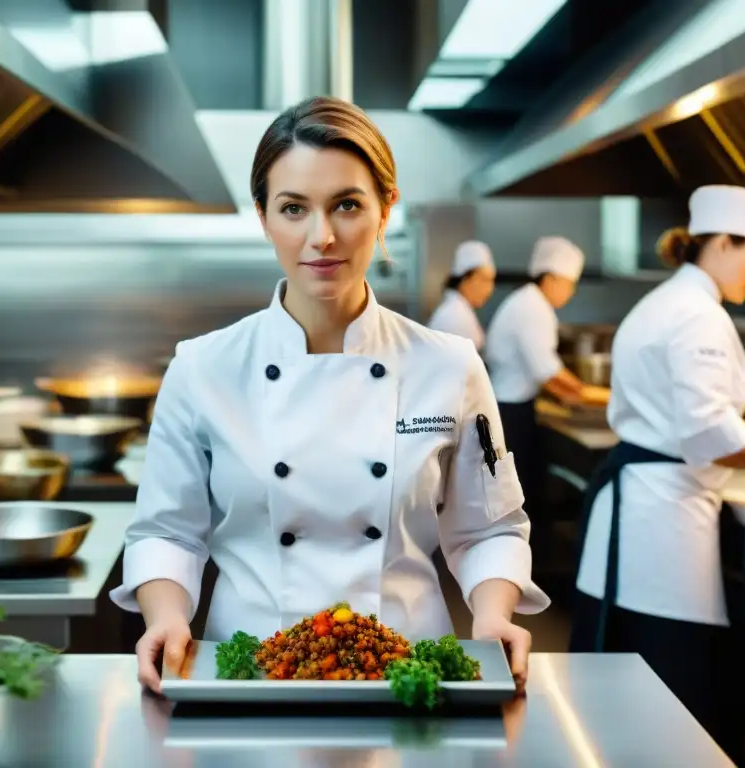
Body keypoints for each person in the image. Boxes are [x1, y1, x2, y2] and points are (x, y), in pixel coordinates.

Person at [110, 96, 550, 693]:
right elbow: (167, 531)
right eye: (294, 208)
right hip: (248, 674)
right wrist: (165, 616)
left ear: (385, 209)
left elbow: (489, 530)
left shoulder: (449, 365)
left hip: (410, 674)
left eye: (347, 204)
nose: (322, 237)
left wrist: (493, 613)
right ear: (264, 217)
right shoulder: (203, 367)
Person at [568, 185, 745, 756]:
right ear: (723, 243)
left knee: (628, 687)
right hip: (660, 525)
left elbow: (679, 413)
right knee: (671, 691)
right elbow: (705, 428)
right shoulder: (698, 316)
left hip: (638, 505)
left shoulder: (670, 302)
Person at [483, 236, 598, 523]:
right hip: (509, 413)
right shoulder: (533, 308)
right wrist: (599, 395)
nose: (570, 293)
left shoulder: (526, 301)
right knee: (517, 500)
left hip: (508, 407)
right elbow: (551, 374)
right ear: (550, 279)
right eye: (569, 284)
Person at [426, 240, 496, 351]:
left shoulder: (458, 309)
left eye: (492, 282)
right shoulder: (455, 316)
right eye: (484, 280)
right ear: (464, 280)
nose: (490, 289)